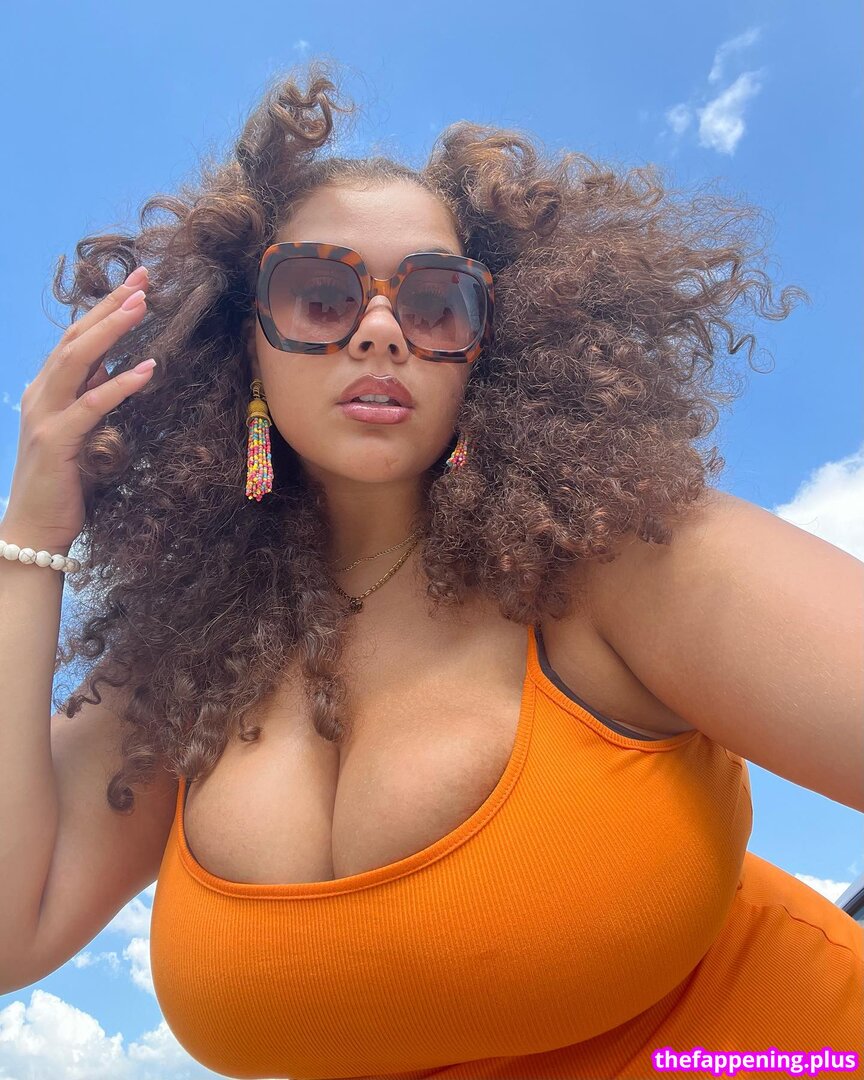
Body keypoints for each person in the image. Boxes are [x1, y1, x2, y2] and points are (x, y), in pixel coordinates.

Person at [1, 60, 861, 1079]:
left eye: (435, 301)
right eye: (319, 294)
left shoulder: (617, 558)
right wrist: (34, 535)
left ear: (485, 347)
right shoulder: (185, 666)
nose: (379, 328)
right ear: (246, 345)